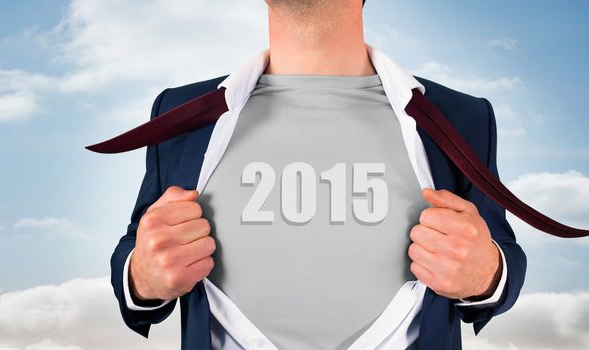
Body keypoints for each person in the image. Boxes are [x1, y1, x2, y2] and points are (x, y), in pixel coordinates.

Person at [106, 1, 527, 349]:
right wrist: (142, 274)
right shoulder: (180, 113)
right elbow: (136, 248)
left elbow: (501, 255)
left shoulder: (463, 118)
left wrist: (487, 272)